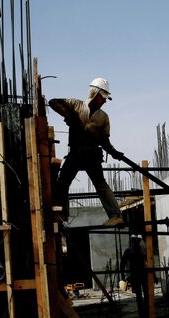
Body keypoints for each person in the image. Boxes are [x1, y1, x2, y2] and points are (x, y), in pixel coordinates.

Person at [48, 78, 125, 227]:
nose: (104, 101)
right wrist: (70, 116)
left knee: (100, 184)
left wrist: (114, 152)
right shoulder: (76, 105)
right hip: (76, 152)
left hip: (91, 155)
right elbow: (53, 102)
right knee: (63, 182)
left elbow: (104, 141)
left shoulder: (103, 117)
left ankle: (116, 216)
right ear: (95, 93)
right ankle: (60, 215)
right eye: (103, 97)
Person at [120, 234, 148, 318]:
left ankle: (144, 316)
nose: (137, 242)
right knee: (141, 296)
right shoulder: (135, 251)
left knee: (143, 296)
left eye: (137, 241)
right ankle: (144, 316)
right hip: (138, 275)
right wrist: (123, 275)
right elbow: (123, 264)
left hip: (140, 275)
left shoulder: (139, 250)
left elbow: (148, 263)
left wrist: (123, 275)